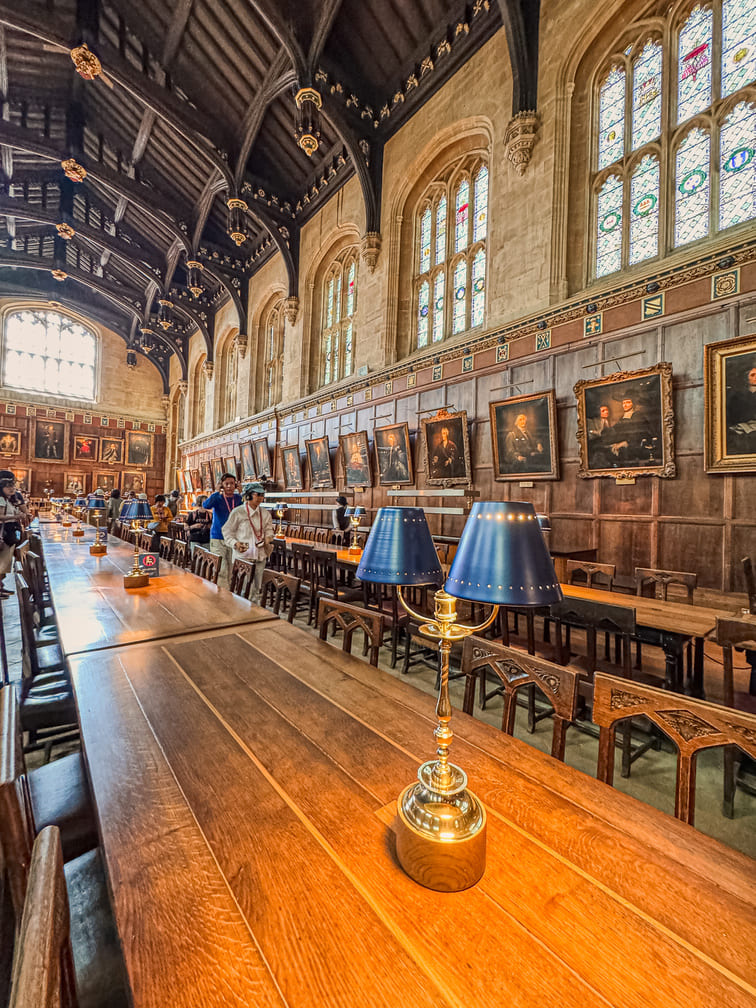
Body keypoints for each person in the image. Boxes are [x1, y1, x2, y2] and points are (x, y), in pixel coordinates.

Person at [222, 483, 274, 602]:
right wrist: (235, 543)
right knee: (244, 590)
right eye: (258, 494)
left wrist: (268, 538)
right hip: (243, 558)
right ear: (249, 496)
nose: (261, 497)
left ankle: (255, 614)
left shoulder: (265, 514)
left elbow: (269, 530)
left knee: (257, 590)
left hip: (260, 556)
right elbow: (227, 531)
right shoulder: (238, 512)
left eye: (262, 495)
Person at [203, 472, 242, 587]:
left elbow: (248, 510)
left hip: (234, 538)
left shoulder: (239, 498)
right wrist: (216, 491)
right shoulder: (218, 498)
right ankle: (221, 595)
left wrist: (242, 492)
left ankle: (229, 594)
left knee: (232, 568)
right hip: (218, 537)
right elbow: (206, 505)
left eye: (232, 483)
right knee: (221, 569)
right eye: (226, 484)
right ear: (222, 485)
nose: (229, 486)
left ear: (236, 485)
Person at [0, 477, 23, 597]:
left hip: (10, 530)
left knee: (5, 562)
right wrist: (16, 517)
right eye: (8, 487)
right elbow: (0, 517)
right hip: (4, 532)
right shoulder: (1, 500)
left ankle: (1, 586)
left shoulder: (9, 500)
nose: (11, 489)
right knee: (2, 562)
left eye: (13, 486)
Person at [726, 364, 756, 455]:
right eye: (752, 375)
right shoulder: (737, 396)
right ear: (746, 377)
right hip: (741, 427)